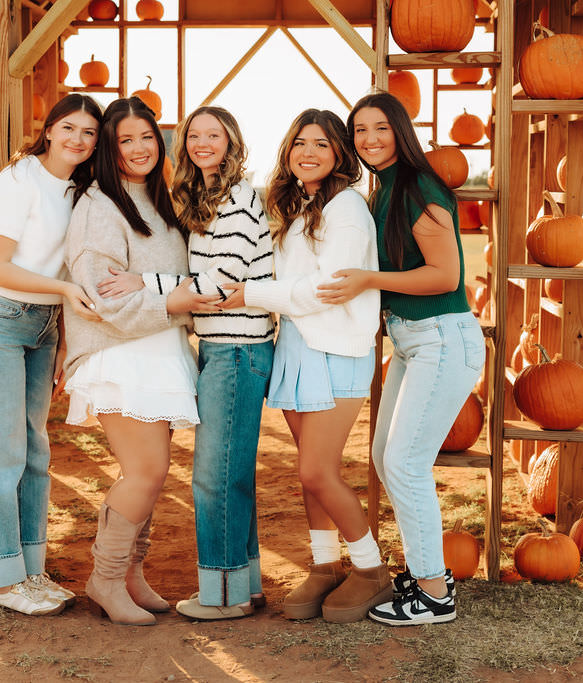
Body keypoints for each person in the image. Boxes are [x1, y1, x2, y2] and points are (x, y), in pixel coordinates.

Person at [97, 106, 275, 621]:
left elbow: (220, 286)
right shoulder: (205, 198)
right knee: (231, 472)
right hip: (225, 347)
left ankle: (223, 596)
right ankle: (245, 584)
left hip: (237, 348)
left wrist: (141, 283)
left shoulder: (238, 200)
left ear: (231, 140)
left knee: (214, 476)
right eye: (193, 135)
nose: (201, 143)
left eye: (213, 134)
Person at [317, 92, 486, 625]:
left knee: (404, 463)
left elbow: (446, 275)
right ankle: (424, 571)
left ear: (400, 131)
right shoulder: (382, 189)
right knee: (386, 458)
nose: (369, 139)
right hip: (412, 340)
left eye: (380, 129)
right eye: (359, 130)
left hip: (442, 336)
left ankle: (434, 593)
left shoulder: (419, 185)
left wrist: (369, 280)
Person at [221, 109, 391, 623]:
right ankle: (324, 565)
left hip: (336, 348)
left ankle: (371, 570)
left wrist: (248, 294)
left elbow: (327, 290)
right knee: (313, 474)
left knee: (315, 468)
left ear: (340, 152)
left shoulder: (345, 210)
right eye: (300, 142)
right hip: (296, 345)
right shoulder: (303, 206)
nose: (309, 152)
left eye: (321, 143)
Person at [62, 97, 220, 626]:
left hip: (160, 351)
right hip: (121, 353)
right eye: (124, 140)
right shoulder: (99, 205)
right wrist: (175, 301)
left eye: (146, 137)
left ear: (161, 141)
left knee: (152, 472)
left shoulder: (161, 200)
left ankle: (130, 573)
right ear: (108, 148)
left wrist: (173, 297)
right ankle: (104, 578)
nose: (138, 149)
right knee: (145, 471)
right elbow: (103, 295)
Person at [0, 93, 103, 616]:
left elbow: (67, 269)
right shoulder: (19, 179)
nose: (78, 139)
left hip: (41, 327)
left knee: (36, 450)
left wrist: (62, 336)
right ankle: (0, 574)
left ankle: (31, 569)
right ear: (49, 129)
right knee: (0, 454)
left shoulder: (83, 189)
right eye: (69, 127)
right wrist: (62, 297)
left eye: (88, 131)